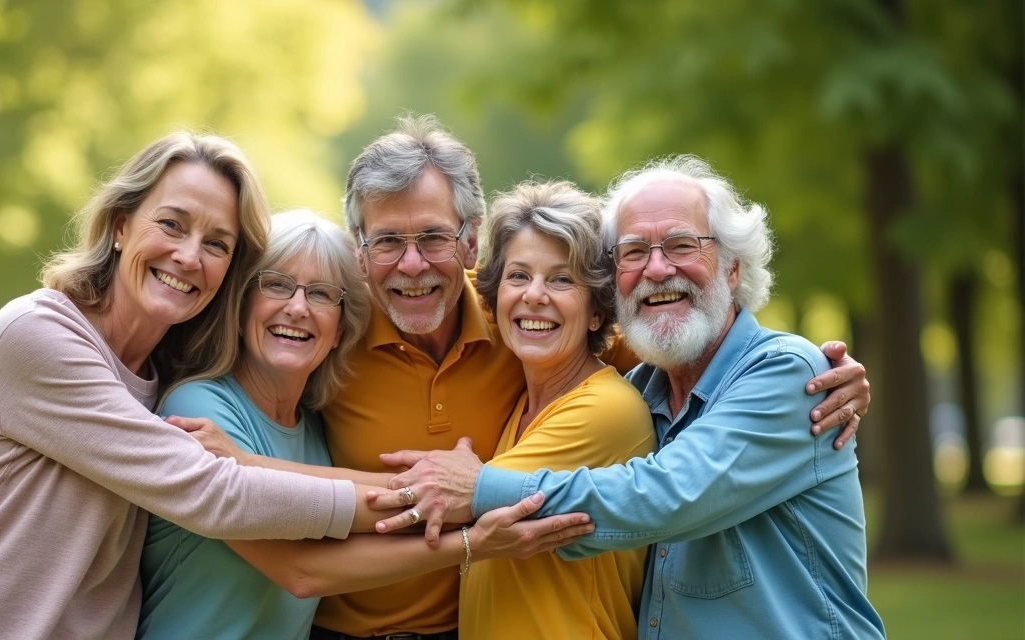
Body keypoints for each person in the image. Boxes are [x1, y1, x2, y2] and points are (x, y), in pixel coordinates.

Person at [0, 116, 873, 639]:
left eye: (430, 241)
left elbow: (672, 351)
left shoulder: (531, 329)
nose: (409, 266)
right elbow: (101, 405)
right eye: (383, 245)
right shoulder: (317, 334)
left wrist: (810, 367)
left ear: (468, 241)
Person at [377, 155, 887, 639]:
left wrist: (481, 486)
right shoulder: (647, 388)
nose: (658, 269)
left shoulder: (789, 376)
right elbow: (471, 290)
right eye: (635, 252)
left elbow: (663, 496)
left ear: (732, 269)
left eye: (682, 246)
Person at [0, 134, 368, 640]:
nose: (189, 256)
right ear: (120, 224)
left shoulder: (171, 372)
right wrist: (430, 494)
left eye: (216, 244)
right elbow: (213, 492)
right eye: (171, 224)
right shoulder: (39, 332)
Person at [137, 210, 592, 640]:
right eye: (277, 286)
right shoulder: (198, 410)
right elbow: (301, 570)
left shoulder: (314, 427)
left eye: (320, 293)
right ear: (241, 304)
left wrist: (468, 490)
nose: (297, 308)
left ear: (340, 328)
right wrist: (472, 525)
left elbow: (340, 501)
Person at [456, 181, 654, 639]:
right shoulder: (524, 405)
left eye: (562, 279)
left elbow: (447, 496)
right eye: (518, 276)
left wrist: (255, 475)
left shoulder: (607, 410)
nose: (534, 295)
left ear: (597, 312)